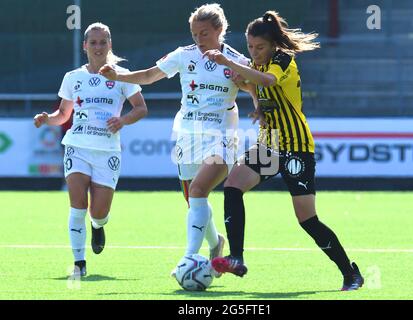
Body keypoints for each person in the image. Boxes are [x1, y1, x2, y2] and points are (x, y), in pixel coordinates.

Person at [203, 11, 364, 291]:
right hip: (269, 144)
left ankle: (350, 274)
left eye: (259, 47)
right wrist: (256, 105)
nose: (254, 52)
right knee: (232, 186)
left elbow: (268, 82)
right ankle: (236, 257)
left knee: (307, 220)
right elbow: (256, 86)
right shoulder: (257, 62)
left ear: (273, 45)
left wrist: (228, 62)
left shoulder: (282, 59)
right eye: (251, 47)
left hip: (296, 148)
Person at [99, 3, 252, 276]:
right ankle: (216, 243)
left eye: (204, 33)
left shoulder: (236, 61)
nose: (198, 39)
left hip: (222, 136)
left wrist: (259, 105)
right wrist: (118, 75)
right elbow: (149, 75)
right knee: (194, 199)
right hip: (188, 134)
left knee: (198, 191)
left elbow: (254, 87)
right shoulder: (184, 55)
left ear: (220, 30)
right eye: (194, 34)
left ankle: (189, 258)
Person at [34, 22, 148, 278]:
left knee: (98, 211)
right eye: (93, 42)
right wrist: (47, 119)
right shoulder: (73, 77)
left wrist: (123, 120)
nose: (98, 47)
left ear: (110, 44)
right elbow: (63, 115)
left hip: (107, 152)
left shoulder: (122, 75)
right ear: (85, 46)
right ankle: (79, 263)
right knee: (77, 205)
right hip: (77, 146)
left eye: (103, 42)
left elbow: (141, 108)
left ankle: (98, 225)